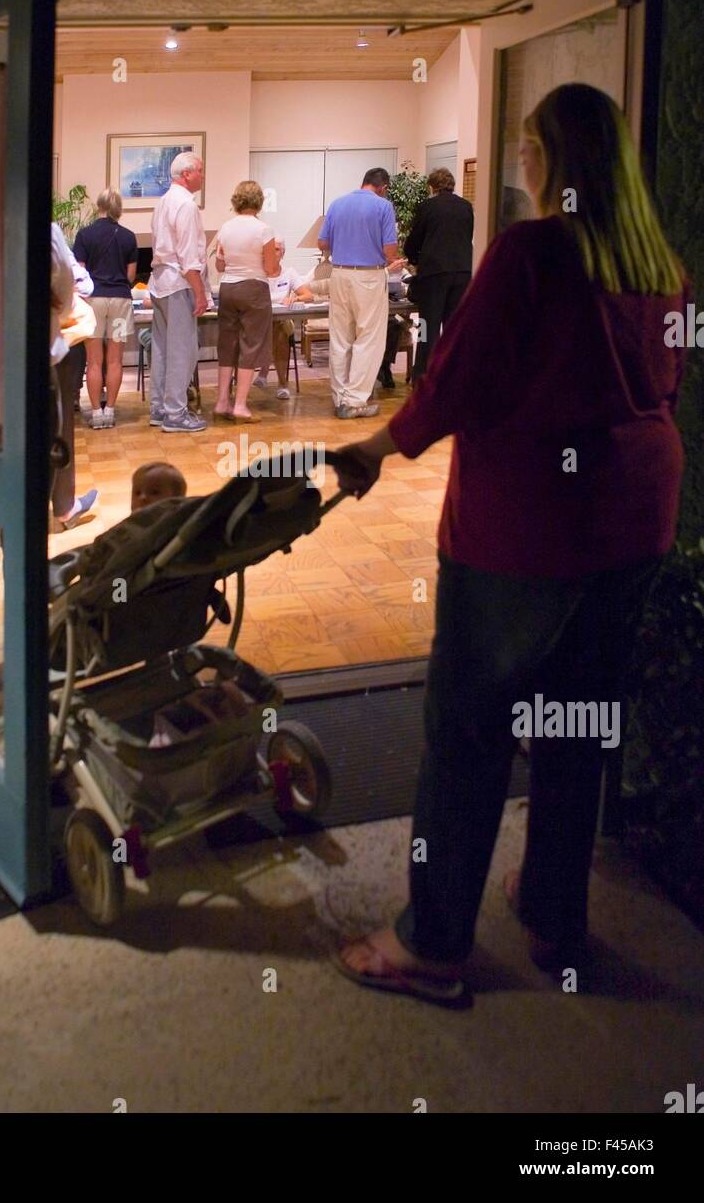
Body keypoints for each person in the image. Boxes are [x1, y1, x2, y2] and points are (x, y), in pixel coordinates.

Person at [330, 83, 690, 1006]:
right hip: (636, 518)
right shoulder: (659, 266)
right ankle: (554, 915)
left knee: (470, 730)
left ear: (546, 158)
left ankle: (437, 941)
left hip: (528, 526)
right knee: (576, 725)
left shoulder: (534, 249)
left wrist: (376, 448)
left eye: (529, 149)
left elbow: (460, 378)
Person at [318, 167, 404, 419]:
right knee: (368, 338)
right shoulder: (383, 207)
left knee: (341, 337)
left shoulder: (337, 204)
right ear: (383, 187)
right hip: (369, 276)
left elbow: (322, 243)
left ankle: (339, 397)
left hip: (340, 273)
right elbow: (390, 251)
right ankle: (355, 401)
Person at [149, 153, 208, 433]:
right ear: (186, 174)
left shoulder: (163, 202)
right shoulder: (186, 205)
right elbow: (188, 256)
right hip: (179, 283)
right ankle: (175, 413)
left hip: (160, 282)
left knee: (161, 349)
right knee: (182, 352)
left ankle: (159, 408)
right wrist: (200, 293)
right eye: (200, 171)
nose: (203, 176)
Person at [213, 181, 279, 422]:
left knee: (227, 343)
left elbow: (219, 265)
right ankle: (240, 405)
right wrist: (278, 259)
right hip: (254, 288)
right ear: (259, 201)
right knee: (250, 345)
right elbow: (271, 269)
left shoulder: (225, 228)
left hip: (228, 287)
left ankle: (222, 401)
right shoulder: (264, 230)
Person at [74, 188, 138, 429]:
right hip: (121, 300)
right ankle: (110, 410)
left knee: (93, 362)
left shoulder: (84, 235)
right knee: (115, 361)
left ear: (98, 206)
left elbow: (79, 274)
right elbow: (131, 276)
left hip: (93, 301)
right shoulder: (129, 237)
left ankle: (97, 413)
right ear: (118, 208)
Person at [403, 166, 474, 381]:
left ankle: (423, 376)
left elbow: (414, 240)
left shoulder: (428, 206)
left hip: (434, 274)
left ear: (432, 187)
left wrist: (414, 260)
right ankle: (453, 377)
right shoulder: (466, 206)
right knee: (453, 328)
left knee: (427, 327)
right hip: (462, 272)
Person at [50, 222, 98, 531]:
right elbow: (70, 281)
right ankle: (65, 505)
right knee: (58, 424)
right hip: (50, 343)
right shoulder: (45, 229)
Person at [253, 239, 305, 400]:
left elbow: (308, 295)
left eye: (276, 249)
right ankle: (267, 373)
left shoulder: (289, 272)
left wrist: (293, 299)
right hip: (257, 321)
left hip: (280, 322)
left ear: (282, 253)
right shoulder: (256, 273)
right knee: (275, 328)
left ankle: (280, 383)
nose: (272, 253)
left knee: (280, 329)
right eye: (268, 249)